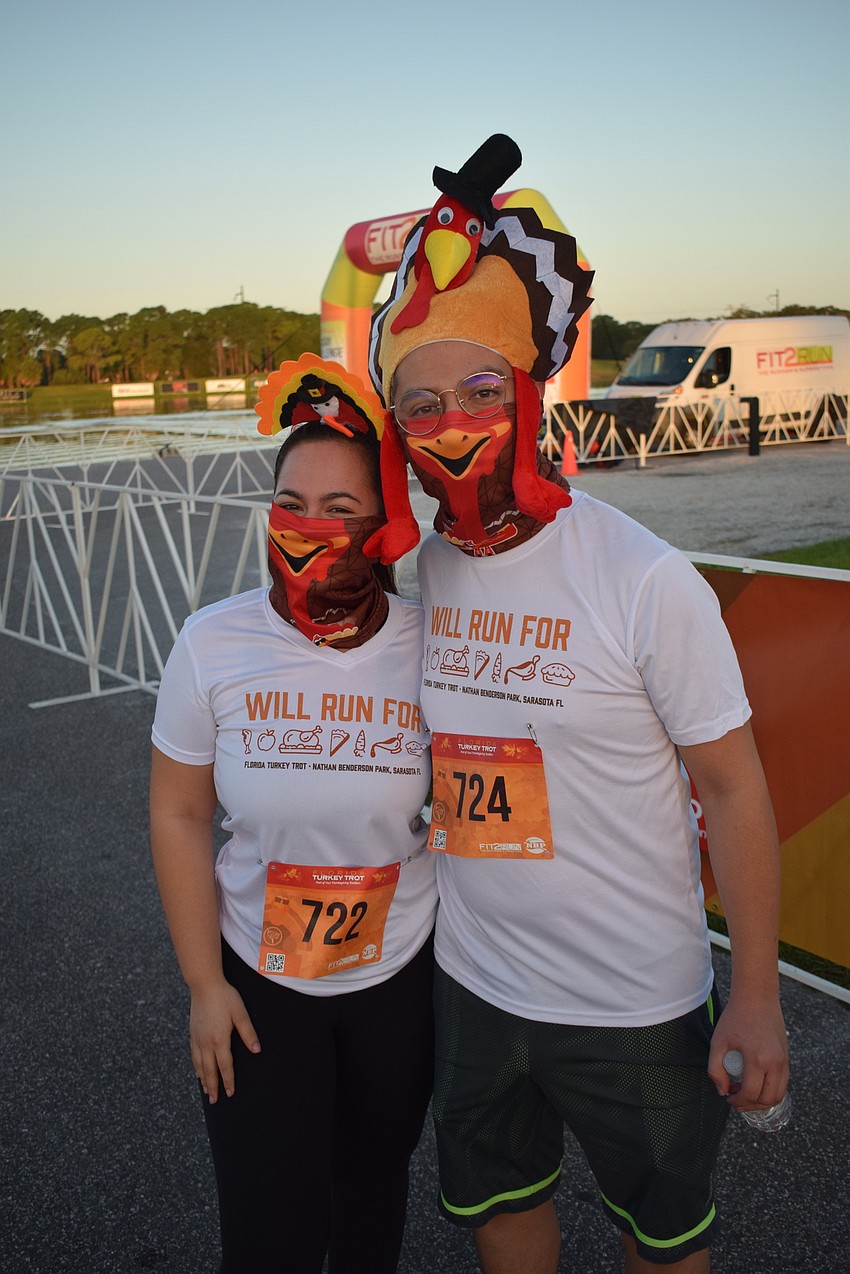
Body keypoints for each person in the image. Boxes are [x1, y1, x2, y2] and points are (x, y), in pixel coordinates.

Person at [367, 135, 789, 1273]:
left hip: (632, 999)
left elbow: (735, 787)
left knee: (662, 1240)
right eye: (421, 401)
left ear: (530, 386)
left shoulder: (645, 576)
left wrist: (756, 996)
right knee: (504, 1212)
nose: (451, 421)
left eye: (480, 389)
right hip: (478, 983)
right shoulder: (438, 563)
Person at [149, 356, 437, 1274]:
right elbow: (180, 814)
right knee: (270, 1234)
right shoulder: (214, 641)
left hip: (399, 980)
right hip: (259, 983)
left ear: (385, 523)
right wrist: (204, 985)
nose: (310, 528)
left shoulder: (434, 640)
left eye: (342, 509)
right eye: (291, 501)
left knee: (369, 1205)